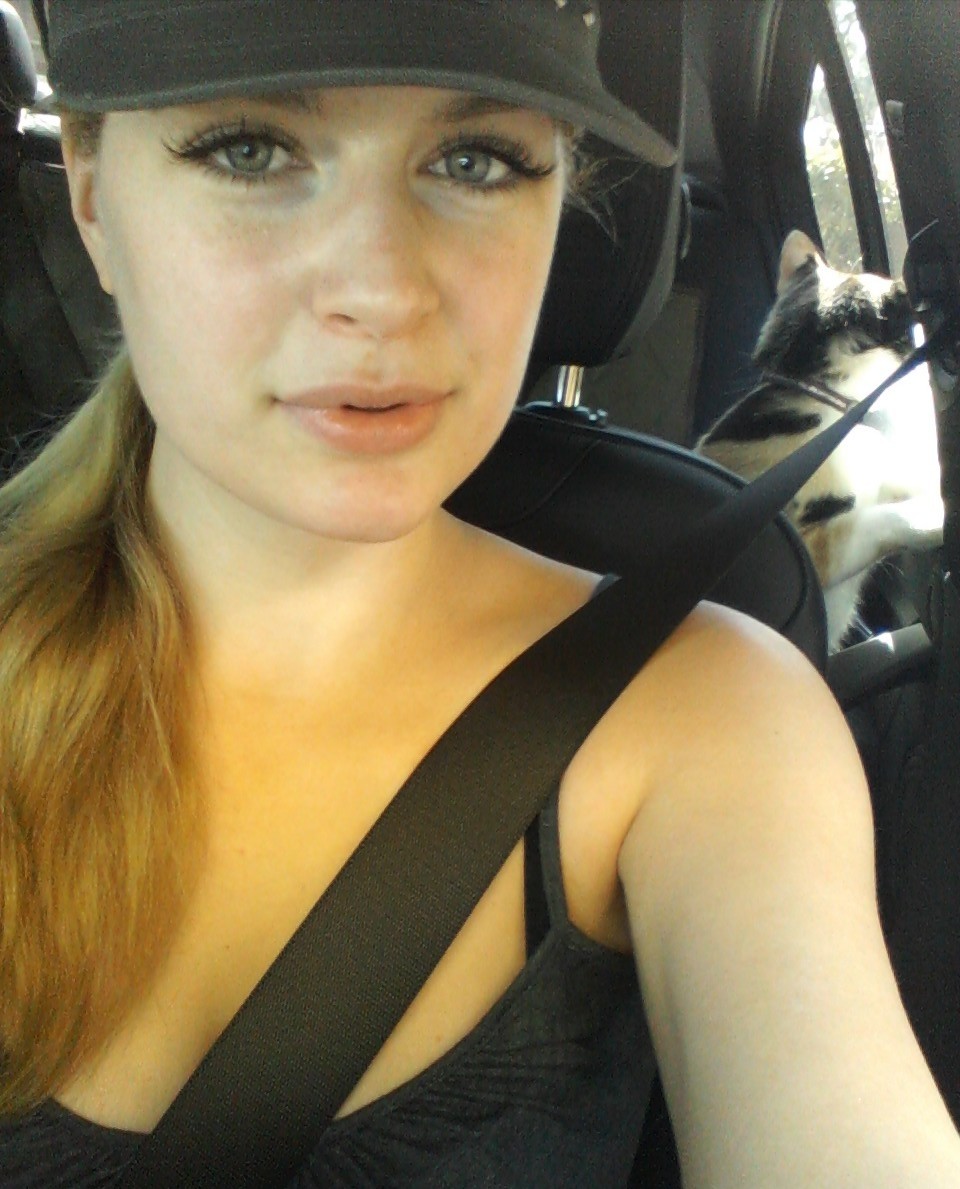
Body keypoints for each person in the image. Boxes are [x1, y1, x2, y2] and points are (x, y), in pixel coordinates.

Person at [1, 2, 959, 1186]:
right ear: (93, 195)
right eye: (249, 149)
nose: (382, 290)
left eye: (476, 160)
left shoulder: (711, 722)